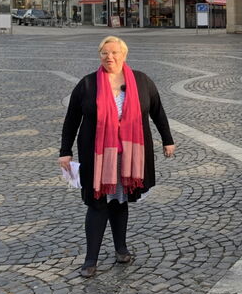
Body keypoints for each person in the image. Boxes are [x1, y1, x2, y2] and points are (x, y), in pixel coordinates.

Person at [59, 36, 175, 278]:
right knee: (97, 204)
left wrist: (167, 139)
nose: (109, 57)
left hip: (129, 158)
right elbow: (72, 119)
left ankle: (121, 249)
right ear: (99, 56)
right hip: (98, 157)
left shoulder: (141, 81)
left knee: (120, 202)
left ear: (124, 55)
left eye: (114, 53)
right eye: (104, 53)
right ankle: (91, 259)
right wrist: (65, 151)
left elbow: (157, 111)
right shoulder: (88, 84)